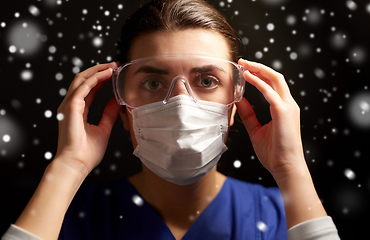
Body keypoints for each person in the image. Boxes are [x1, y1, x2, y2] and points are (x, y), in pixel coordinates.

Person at [2, 0, 340, 239]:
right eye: (152, 83)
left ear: (234, 106)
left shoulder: (283, 216)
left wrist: (291, 167)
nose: (180, 104)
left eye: (207, 81)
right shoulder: (64, 217)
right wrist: (67, 167)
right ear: (122, 106)